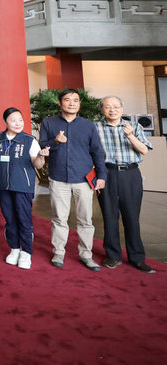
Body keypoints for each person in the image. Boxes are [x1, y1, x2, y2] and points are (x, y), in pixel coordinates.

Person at [39, 88, 107, 271]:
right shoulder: (48, 123)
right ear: (60, 103)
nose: (71, 103)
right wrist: (55, 142)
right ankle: (58, 252)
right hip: (58, 178)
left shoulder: (88, 125)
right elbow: (41, 147)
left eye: (75, 100)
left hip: (83, 179)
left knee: (85, 219)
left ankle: (86, 254)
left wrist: (101, 176)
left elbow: (98, 152)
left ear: (79, 104)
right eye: (67, 100)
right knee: (59, 218)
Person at [95, 96, 155, 274]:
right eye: (108, 107)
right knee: (109, 216)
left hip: (130, 174)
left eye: (116, 106)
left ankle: (137, 258)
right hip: (106, 173)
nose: (112, 110)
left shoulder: (135, 126)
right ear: (102, 110)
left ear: (122, 109)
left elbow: (144, 149)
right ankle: (113, 256)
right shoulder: (95, 128)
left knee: (131, 217)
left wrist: (130, 136)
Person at [0, 107, 47, 270]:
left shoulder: (29, 140)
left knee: (23, 219)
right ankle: (14, 248)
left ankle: (27, 252)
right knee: (9, 219)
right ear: (5, 122)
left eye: (20, 120)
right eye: (13, 120)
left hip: (23, 186)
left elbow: (38, 164)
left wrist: (41, 156)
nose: (18, 123)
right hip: (4, 186)